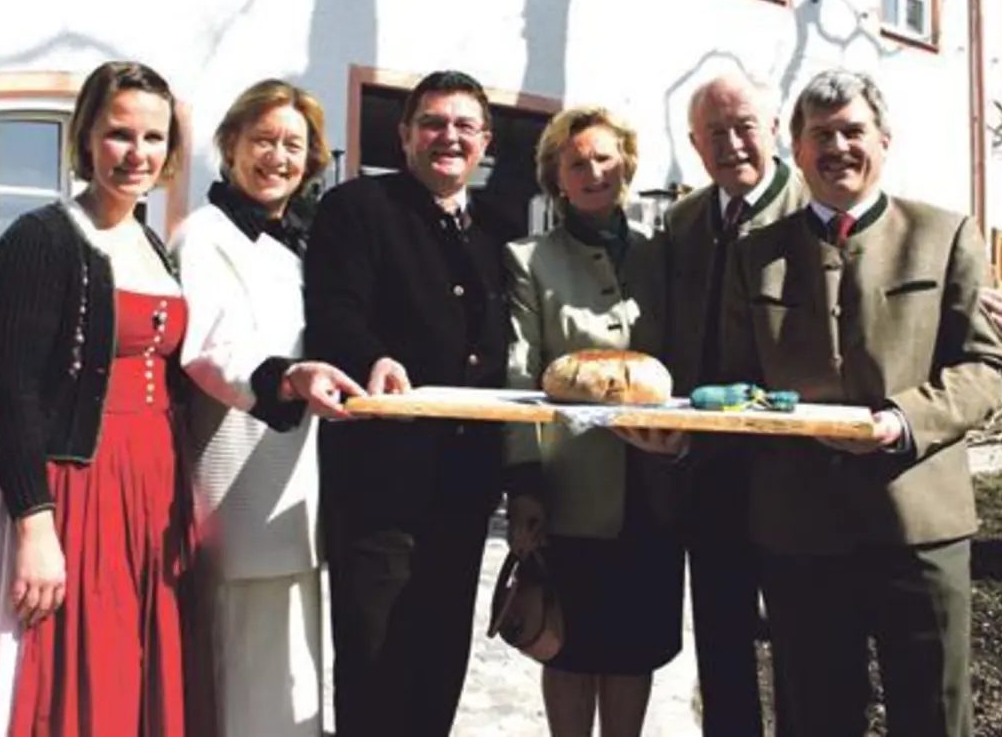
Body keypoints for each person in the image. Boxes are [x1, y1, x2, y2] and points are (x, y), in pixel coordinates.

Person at [693, 69, 1002, 737]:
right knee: (813, 718)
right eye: (820, 135)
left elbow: (987, 366)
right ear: (798, 150)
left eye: (851, 131)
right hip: (798, 529)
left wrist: (902, 421)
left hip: (919, 527)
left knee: (932, 716)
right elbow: (736, 378)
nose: (836, 147)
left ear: (883, 141)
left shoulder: (944, 234)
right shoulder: (757, 256)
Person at [0, 61, 207, 736]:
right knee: (65, 674)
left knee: (134, 666)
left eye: (154, 138)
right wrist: (35, 525)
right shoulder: (40, 241)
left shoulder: (151, 243)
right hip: (69, 483)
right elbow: (13, 393)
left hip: (149, 486)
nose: (136, 154)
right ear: (84, 137)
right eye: (119, 134)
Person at [303, 70, 543, 736]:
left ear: (485, 142)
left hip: (463, 489)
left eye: (465, 126)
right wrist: (369, 358)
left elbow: (512, 365)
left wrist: (522, 480)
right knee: (377, 671)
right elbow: (333, 310)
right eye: (433, 123)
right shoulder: (357, 209)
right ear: (405, 134)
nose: (449, 137)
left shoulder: (497, 233)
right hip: (379, 486)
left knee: (438, 668)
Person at [171, 79, 366, 736]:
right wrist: (284, 379)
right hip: (237, 491)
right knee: (242, 687)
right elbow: (208, 348)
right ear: (230, 146)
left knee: (291, 681)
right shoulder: (204, 236)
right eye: (262, 140)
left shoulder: (299, 243)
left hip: (299, 494)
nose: (277, 157)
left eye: (292, 145)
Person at [504, 106, 683, 737]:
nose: (592, 171)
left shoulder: (662, 254)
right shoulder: (529, 261)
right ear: (556, 177)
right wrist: (524, 485)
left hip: (654, 486)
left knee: (634, 648)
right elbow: (518, 380)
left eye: (605, 158)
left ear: (626, 166)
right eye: (576, 162)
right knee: (572, 644)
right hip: (571, 491)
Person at [656, 72, 811, 737]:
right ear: (695, 145)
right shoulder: (684, 221)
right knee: (721, 645)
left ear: (773, 128)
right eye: (714, 133)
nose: (732, 143)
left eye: (744, 125)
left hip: (798, 474)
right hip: (709, 473)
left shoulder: (813, 210)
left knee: (805, 649)